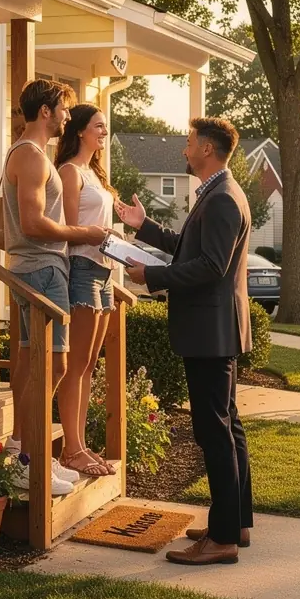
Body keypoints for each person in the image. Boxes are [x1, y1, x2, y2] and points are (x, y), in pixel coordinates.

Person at [116, 116, 252, 566]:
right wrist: (145, 226)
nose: (184, 149)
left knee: (214, 431)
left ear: (208, 150)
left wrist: (150, 275)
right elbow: (190, 248)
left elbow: (210, 266)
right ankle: (234, 522)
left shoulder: (222, 200)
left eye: (189, 142)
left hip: (210, 332)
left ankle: (223, 539)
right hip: (214, 329)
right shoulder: (218, 193)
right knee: (227, 425)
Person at [2, 79, 109, 495]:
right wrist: (81, 232)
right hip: (42, 270)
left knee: (34, 368)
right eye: (63, 109)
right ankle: (29, 462)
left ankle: (25, 454)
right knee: (57, 366)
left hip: (39, 269)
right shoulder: (31, 158)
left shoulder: (32, 155)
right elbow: (32, 224)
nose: (67, 115)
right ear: (45, 112)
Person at [54, 104, 117, 477]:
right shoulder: (69, 172)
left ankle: (79, 445)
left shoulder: (95, 174)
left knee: (89, 365)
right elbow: (71, 228)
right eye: (98, 126)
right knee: (75, 366)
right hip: (81, 270)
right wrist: (100, 236)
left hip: (105, 271)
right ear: (80, 131)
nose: (104, 132)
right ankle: (71, 450)